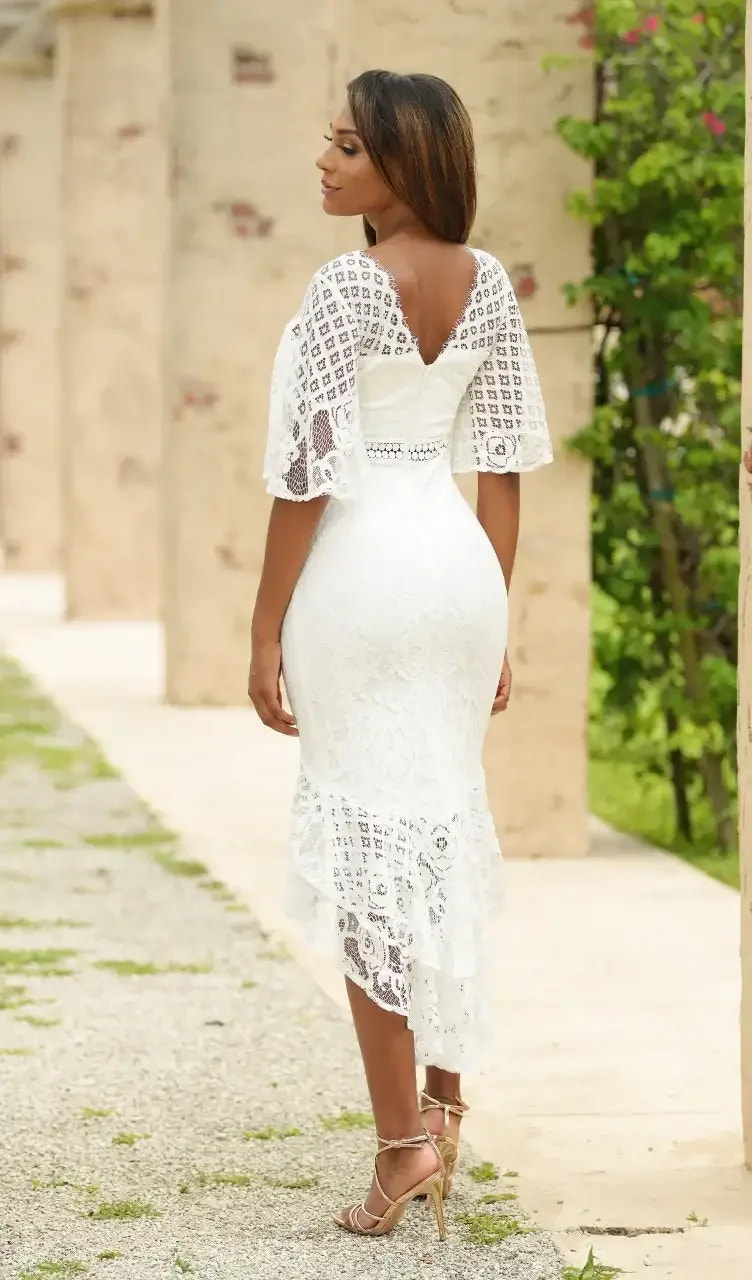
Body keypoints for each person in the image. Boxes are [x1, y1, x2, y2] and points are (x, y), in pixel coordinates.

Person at [249, 68, 552, 1241]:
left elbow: (303, 476)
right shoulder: (486, 287)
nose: (325, 164)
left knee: (371, 847)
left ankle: (400, 1149)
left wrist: (262, 623)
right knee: (439, 828)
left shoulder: (343, 288)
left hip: (364, 577)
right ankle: (445, 1106)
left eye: (347, 148)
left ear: (403, 163)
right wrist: (492, 619)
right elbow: (505, 471)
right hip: (457, 576)